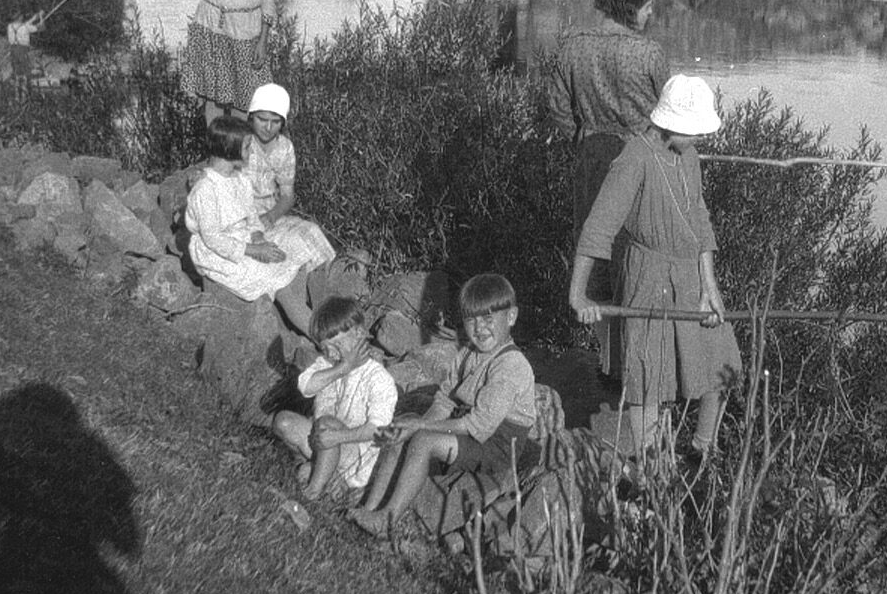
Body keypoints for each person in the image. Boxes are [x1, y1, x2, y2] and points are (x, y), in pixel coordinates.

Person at [569, 74, 741, 465]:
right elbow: (598, 228)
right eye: (693, 130)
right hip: (648, 277)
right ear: (671, 123)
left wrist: (708, 286)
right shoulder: (633, 160)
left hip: (690, 276)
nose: (699, 138)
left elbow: (699, 218)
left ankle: (703, 450)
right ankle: (652, 466)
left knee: (722, 360)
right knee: (648, 376)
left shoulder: (689, 156)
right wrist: (578, 296)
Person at [547, 0, 670, 382]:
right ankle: (637, 365)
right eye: (648, 6)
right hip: (641, 162)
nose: (651, 14)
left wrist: (584, 138)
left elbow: (559, 109)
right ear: (629, 5)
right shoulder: (649, 53)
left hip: (592, 158)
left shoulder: (572, 45)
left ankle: (607, 362)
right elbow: (668, 117)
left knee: (596, 253)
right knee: (640, 258)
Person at [349, 273, 538, 536]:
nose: (480, 328)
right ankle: (368, 506)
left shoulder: (511, 366)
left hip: (498, 446)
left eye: (488, 319)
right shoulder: (468, 353)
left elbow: (479, 426)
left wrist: (423, 426)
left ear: (511, 317)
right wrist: (416, 423)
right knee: (402, 427)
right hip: (470, 430)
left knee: (423, 440)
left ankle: (387, 520)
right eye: (471, 320)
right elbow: (444, 399)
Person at [183, 116, 332, 338]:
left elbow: (250, 213)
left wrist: (257, 236)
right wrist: (253, 250)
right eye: (245, 146)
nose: (250, 152)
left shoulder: (239, 178)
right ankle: (323, 337)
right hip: (218, 251)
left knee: (291, 255)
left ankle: (311, 318)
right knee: (279, 282)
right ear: (228, 148)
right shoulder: (206, 190)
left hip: (242, 237)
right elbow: (213, 238)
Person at [271, 296, 398, 502]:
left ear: (358, 334)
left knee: (327, 424)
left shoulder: (379, 379)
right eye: (325, 346)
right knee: (283, 421)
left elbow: (377, 431)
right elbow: (306, 386)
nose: (331, 351)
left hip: (353, 455)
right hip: (325, 441)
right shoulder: (329, 363)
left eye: (337, 344)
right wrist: (343, 368)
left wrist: (338, 438)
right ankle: (325, 476)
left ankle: (312, 492)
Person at [241, 82, 335, 268]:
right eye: (262, 119)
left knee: (311, 232)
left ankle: (322, 282)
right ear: (251, 117)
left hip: (269, 212)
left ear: (283, 122)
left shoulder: (285, 147)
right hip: (240, 211)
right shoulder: (241, 140)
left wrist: (271, 216)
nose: (268, 127)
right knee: (269, 249)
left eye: (275, 122)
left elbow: (287, 195)